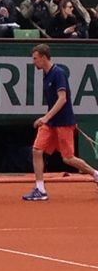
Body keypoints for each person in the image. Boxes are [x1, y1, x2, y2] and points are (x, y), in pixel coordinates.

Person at [23, 44, 98, 201]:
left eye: (35, 59)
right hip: (51, 124)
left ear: (44, 58)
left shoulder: (58, 73)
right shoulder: (46, 74)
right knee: (37, 150)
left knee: (68, 158)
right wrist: (47, 120)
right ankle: (40, 189)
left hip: (62, 122)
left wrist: (45, 118)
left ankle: (95, 174)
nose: (33, 62)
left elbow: (62, 99)